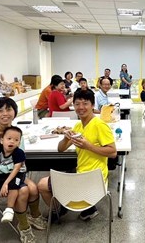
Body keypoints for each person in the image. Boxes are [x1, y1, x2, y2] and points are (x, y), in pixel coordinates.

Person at [38, 90, 117, 221]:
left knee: (41, 184)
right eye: (77, 104)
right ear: (73, 106)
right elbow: (60, 149)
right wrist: (65, 138)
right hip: (81, 174)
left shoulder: (100, 125)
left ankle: (59, 211)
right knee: (66, 173)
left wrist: (88, 146)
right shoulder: (78, 125)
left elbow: (113, 152)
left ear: (92, 105)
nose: (81, 107)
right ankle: (69, 209)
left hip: (95, 179)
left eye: (85, 103)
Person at [0, 98, 46, 242]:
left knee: (33, 187)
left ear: (14, 112)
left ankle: (35, 217)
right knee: (24, 190)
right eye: (0, 110)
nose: (5, 114)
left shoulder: (15, 134)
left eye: (8, 109)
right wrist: (9, 169)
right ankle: (24, 226)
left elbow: (21, 163)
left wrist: (10, 169)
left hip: (13, 174)